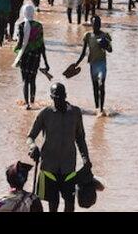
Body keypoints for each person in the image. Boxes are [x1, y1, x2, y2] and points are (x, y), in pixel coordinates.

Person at [28, 83, 91, 213]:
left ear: (65, 96)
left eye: (61, 97)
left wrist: (86, 159)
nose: (58, 100)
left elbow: (80, 138)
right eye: (55, 97)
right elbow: (30, 136)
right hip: (49, 167)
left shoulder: (75, 113)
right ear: (51, 97)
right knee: (53, 204)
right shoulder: (45, 114)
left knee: (70, 204)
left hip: (68, 167)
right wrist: (33, 147)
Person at [74, 16, 113, 116]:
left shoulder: (105, 35)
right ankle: (97, 109)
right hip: (92, 64)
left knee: (101, 84)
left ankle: (101, 109)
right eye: (95, 24)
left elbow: (110, 50)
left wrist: (105, 45)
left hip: (101, 63)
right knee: (95, 87)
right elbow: (83, 53)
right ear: (91, 24)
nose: (96, 26)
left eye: (98, 24)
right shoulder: (88, 36)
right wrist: (76, 64)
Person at [14, 5, 50, 110]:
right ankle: (33, 101)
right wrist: (46, 62)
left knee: (25, 80)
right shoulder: (39, 26)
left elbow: (20, 43)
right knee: (33, 80)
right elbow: (42, 45)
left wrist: (15, 50)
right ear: (33, 13)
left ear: (24, 13)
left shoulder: (21, 26)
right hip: (36, 56)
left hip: (25, 56)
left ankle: (27, 104)